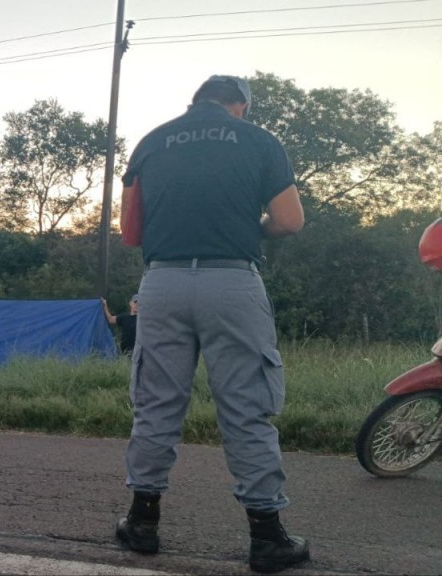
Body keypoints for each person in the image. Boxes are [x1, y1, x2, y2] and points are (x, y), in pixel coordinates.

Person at [114, 75, 308, 574]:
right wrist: (252, 228)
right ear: (240, 106)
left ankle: (142, 523)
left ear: (195, 102)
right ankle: (267, 538)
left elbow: (130, 233)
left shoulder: (151, 142)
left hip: (162, 285)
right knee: (247, 406)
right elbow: (289, 220)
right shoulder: (260, 140)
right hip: (232, 282)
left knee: (156, 403)